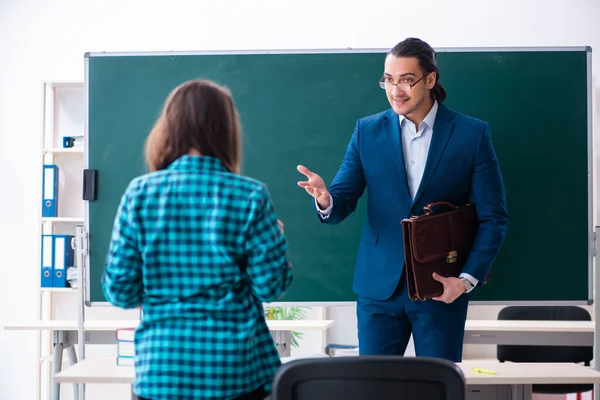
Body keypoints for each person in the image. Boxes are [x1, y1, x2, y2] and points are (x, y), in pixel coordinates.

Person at [297, 37, 508, 361]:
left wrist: (464, 281)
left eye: (407, 80)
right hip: (379, 290)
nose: (396, 90)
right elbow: (342, 202)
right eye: (389, 80)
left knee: (439, 387)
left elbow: (493, 219)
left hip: (441, 287)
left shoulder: (471, 134)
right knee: (374, 388)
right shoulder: (366, 131)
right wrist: (325, 199)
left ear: (430, 80)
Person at [102, 79, 293, 400]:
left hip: (161, 372)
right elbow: (270, 287)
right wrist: (275, 242)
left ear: (169, 128)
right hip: (235, 373)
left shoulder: (139, 194)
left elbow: (121, 292)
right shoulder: (250, 195)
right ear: (226, 130)